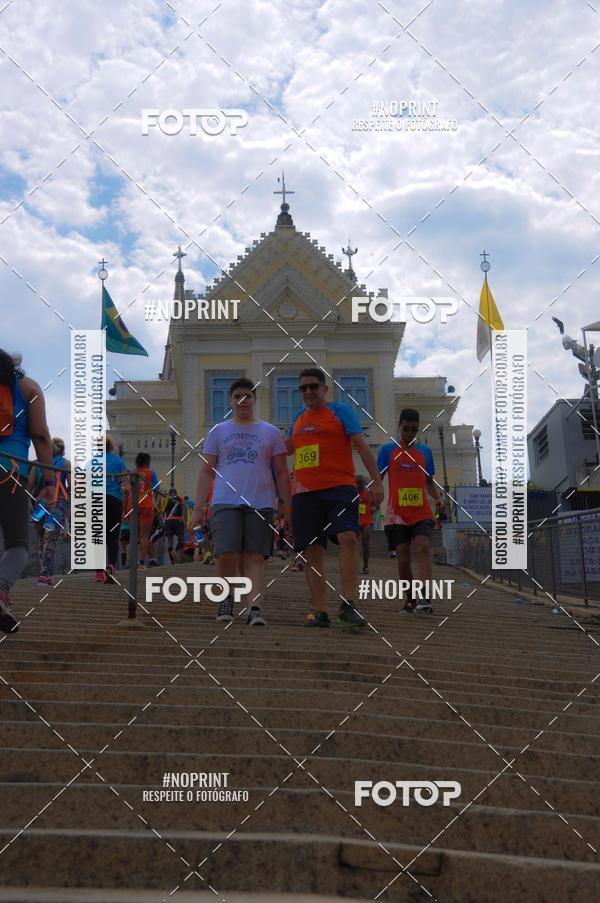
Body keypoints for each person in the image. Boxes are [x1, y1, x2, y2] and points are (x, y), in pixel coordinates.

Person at [286, 368, 384, 628]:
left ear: (325, 389)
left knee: (348, 538)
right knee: (313, 550)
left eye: (313, 386)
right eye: (303, 388)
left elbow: (362, 446)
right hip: (305, 493)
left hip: (339, 488)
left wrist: (376, 482)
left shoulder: (341, 411)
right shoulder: (298, 417)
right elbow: (285, 449)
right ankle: (320, 612)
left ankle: (348, 605)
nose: (308, 391)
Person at [191, 378, 292, 626]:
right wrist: (197, 508)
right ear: (231, 400)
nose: (242, 400)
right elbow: (206, 471)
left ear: (255, 399)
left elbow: (281, 472)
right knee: (226, 552)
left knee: (255, 555)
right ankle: (226, 599)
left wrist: (287, 505)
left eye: (247, 396)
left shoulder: (270, 432)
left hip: (261, 502)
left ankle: (254, 608)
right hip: (225, 500)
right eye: (237, 396)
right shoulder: (218, 431)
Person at [0, 349, 54, 632]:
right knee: (18, 546)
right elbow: (41, 435)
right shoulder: (28, 388)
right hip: (10, 472)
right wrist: (50, 481)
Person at [377, 408, 445, 613]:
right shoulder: (387, 451)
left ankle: (425, 596)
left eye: (414, 430)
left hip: (420, 512)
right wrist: (374, 495)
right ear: (399, 426)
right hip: (396, 514)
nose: (409, 433)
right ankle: (410, 598)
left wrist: (438, 497)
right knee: (403, 559)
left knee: (423, 546)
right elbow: (378, 479)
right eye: (406, 429)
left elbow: (428, 482)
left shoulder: (425, 452)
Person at [36, 437, 70, 587]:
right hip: (57, 504)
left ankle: (44, 573)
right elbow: (72, 486)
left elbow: (29, 484)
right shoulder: (66, 463)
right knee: (50, 539)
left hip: (39, 505)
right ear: (62, 450)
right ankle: (44, 575)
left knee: (41, 539)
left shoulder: (38, 463)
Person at [95, 436, 128, 583]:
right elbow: (123, 482)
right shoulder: (119, 462)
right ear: (111, 447)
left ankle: (98, 572)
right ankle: (112, 565)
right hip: (114, 500)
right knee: (113, 536)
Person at [134, 452, 158, 568]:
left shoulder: (133, 473)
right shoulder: (151, 473)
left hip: (133, 505)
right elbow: (157, 489)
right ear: (147, 462)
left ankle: (131, 562)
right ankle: (141, 562)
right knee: (144, 536)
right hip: (146, 505)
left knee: (134, 535)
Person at [356, 474, 373, 574]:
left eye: (360, 483)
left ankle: (366, 566)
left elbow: (376, 504)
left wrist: (374, 508)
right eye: (357, 483)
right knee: (354, 544)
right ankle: (353, 565)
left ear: (363, 483)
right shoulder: (352, 493)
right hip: (355, 520)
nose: (358, 485)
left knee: (366, 542)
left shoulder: (369, 493)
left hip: (366, 520)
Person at [164, 488, 186, 563]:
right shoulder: (180, 498)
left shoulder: (166, 499)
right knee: (181, 540)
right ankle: (175, 551)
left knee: (170, 542)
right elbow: (184, 508)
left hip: (168, 520)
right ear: (176, 493)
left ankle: (172, 561)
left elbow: (163, 510)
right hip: (177, 520)